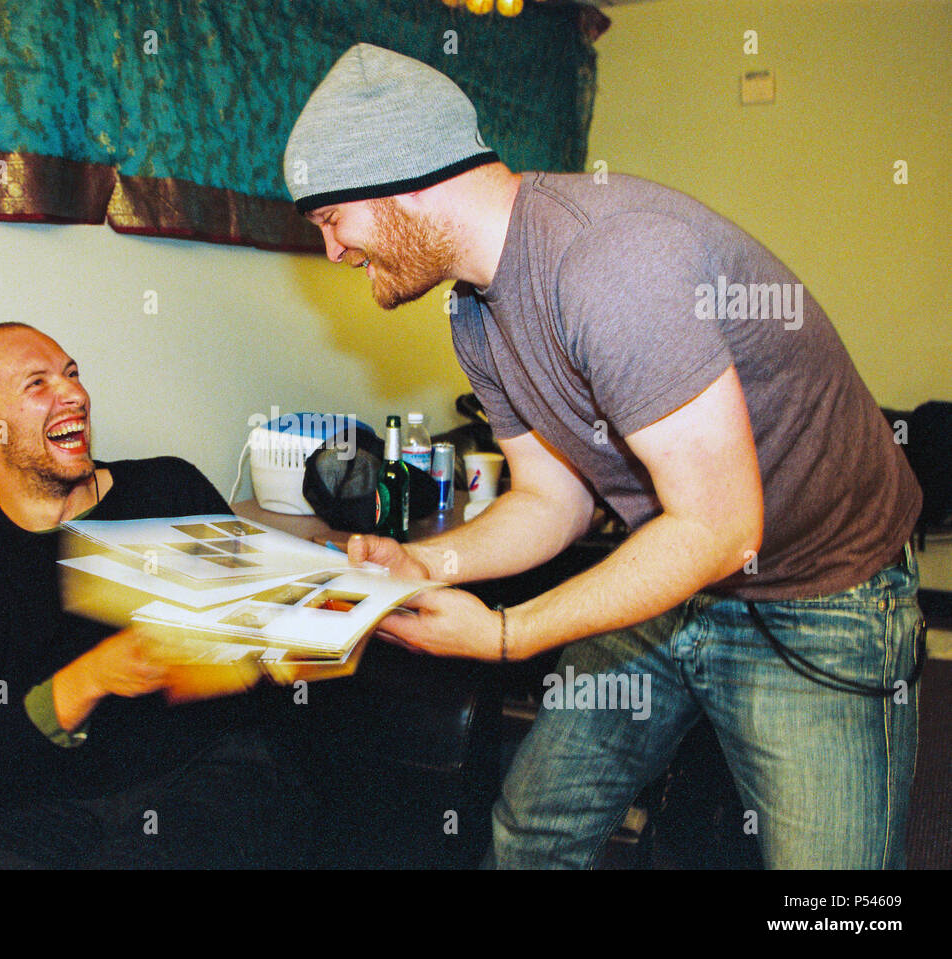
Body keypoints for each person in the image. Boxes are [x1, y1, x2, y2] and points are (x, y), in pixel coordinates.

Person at [282, 43, 924, 869]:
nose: (332, 251)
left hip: (822, 586)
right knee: (533, 829)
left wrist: (507, 635)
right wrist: (422, 562)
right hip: (673, 565)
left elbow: (724, 526)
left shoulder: (608, 262)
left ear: (404, 177)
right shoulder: (474, 314)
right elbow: (554, 503)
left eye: (332, 220)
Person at [0, 322, 300, 868]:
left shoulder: (167, 490)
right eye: (37, 384)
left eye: (72, 374)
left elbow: (271, 652)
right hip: (49, 816)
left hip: (203, 775)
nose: (74, 394)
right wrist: (91, 678)